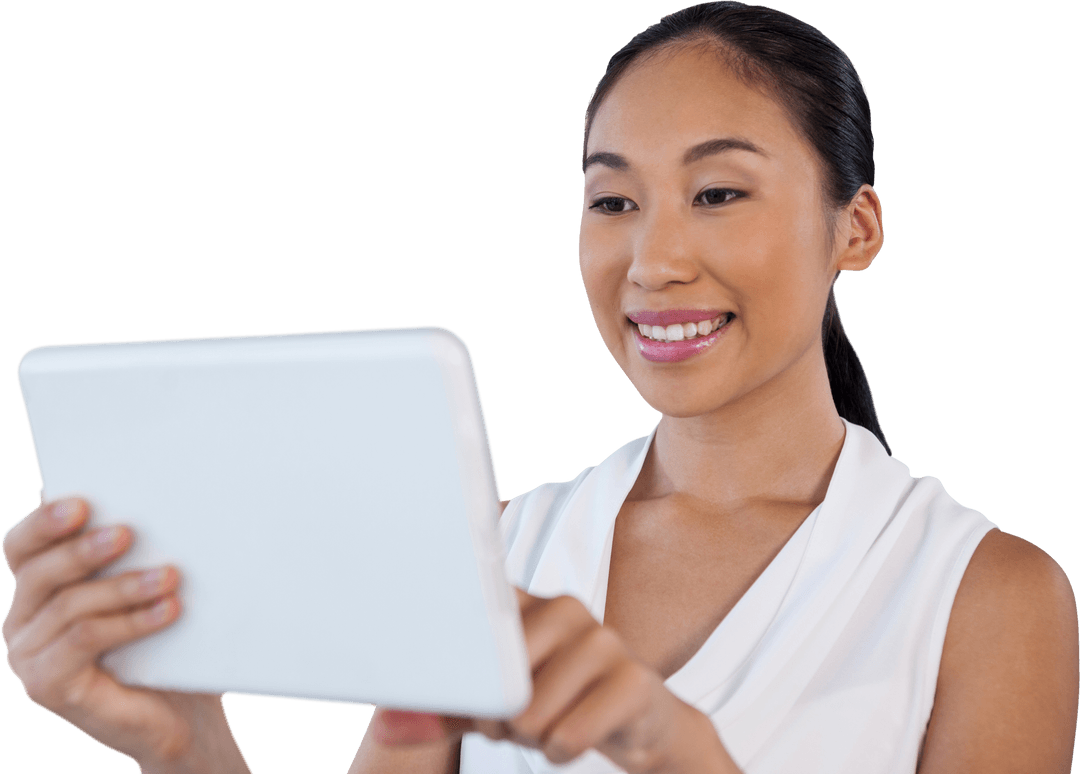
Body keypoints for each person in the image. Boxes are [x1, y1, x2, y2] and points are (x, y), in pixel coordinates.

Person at [3, 2, 1077, 773]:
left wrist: (675, 751)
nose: (653, 261)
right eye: (612, 203)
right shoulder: (499, 549)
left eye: (716, 192)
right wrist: (183, 743)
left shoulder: (988, 599)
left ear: (857, 229)